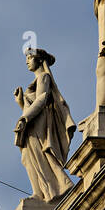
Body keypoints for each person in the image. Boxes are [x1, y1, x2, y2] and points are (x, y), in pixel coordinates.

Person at [14, 49, 75, 201]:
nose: (27, 61)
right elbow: (34, 103)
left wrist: (24, 118)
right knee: (28, 156)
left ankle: (57, 186)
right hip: (32, 121)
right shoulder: (35, 81)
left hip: (39, 123)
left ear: (40, 60)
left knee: (38, 153)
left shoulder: (43, 77)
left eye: (30, 58)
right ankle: (39, 191)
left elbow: (41, 99)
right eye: (26, 58)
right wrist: (21, 103)